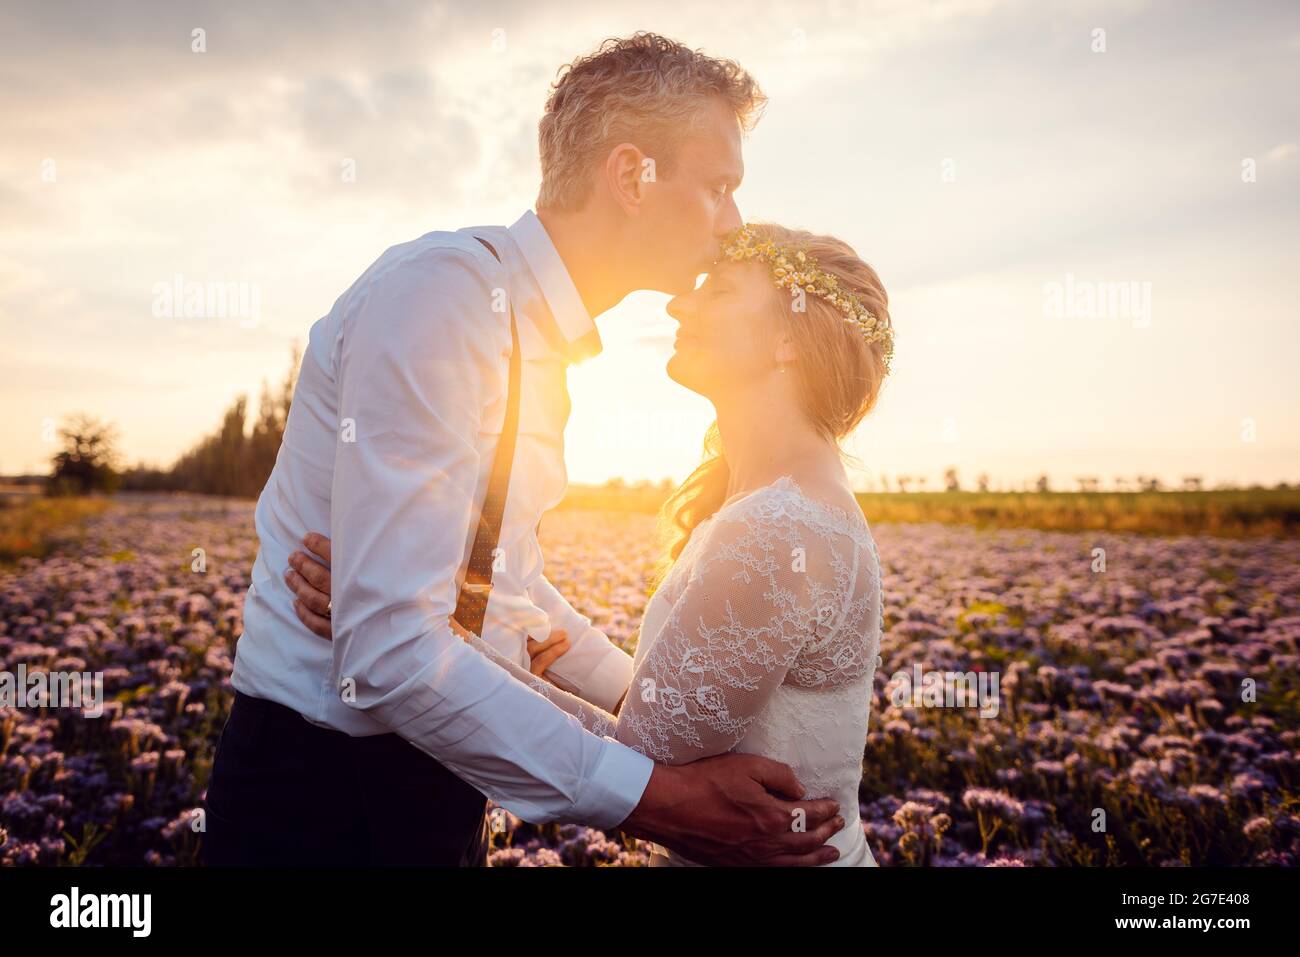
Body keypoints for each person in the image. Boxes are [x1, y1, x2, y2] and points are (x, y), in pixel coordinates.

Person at [203, 33, 847, 867]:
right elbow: (393, 647)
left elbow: (504, 589)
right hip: (322, 792)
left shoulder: (535, 338)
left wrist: (654, 715)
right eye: (719, 187)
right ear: (630, 176)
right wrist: (657, 797)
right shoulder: (446, 299)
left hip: (434, 766)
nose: (733, 223)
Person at [287, 222, 895, 866]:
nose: (677, 304)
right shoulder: (779, 503)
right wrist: (413, 605)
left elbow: (648, 765)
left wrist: (407, 625)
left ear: (788, 341)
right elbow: (681, 719)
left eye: (716, 293)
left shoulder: (777, 526)